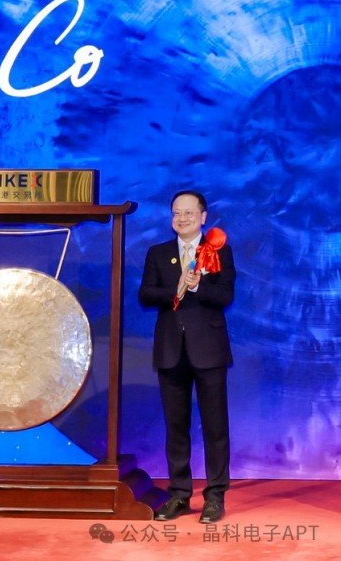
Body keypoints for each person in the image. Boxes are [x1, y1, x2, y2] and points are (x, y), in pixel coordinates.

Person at [138, 191, 235, 524]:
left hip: (209, 349)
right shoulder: (158, 253)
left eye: (189, 213)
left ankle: (215, 495)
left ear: (203, 217)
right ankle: (179, 494)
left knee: (215, 426)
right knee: (176, 425)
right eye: (176, 213)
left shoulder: (219, 251)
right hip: (170, 350)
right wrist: (176, 288)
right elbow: (145, 294)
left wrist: (196, 287)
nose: (182, 218)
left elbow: (225, 295)